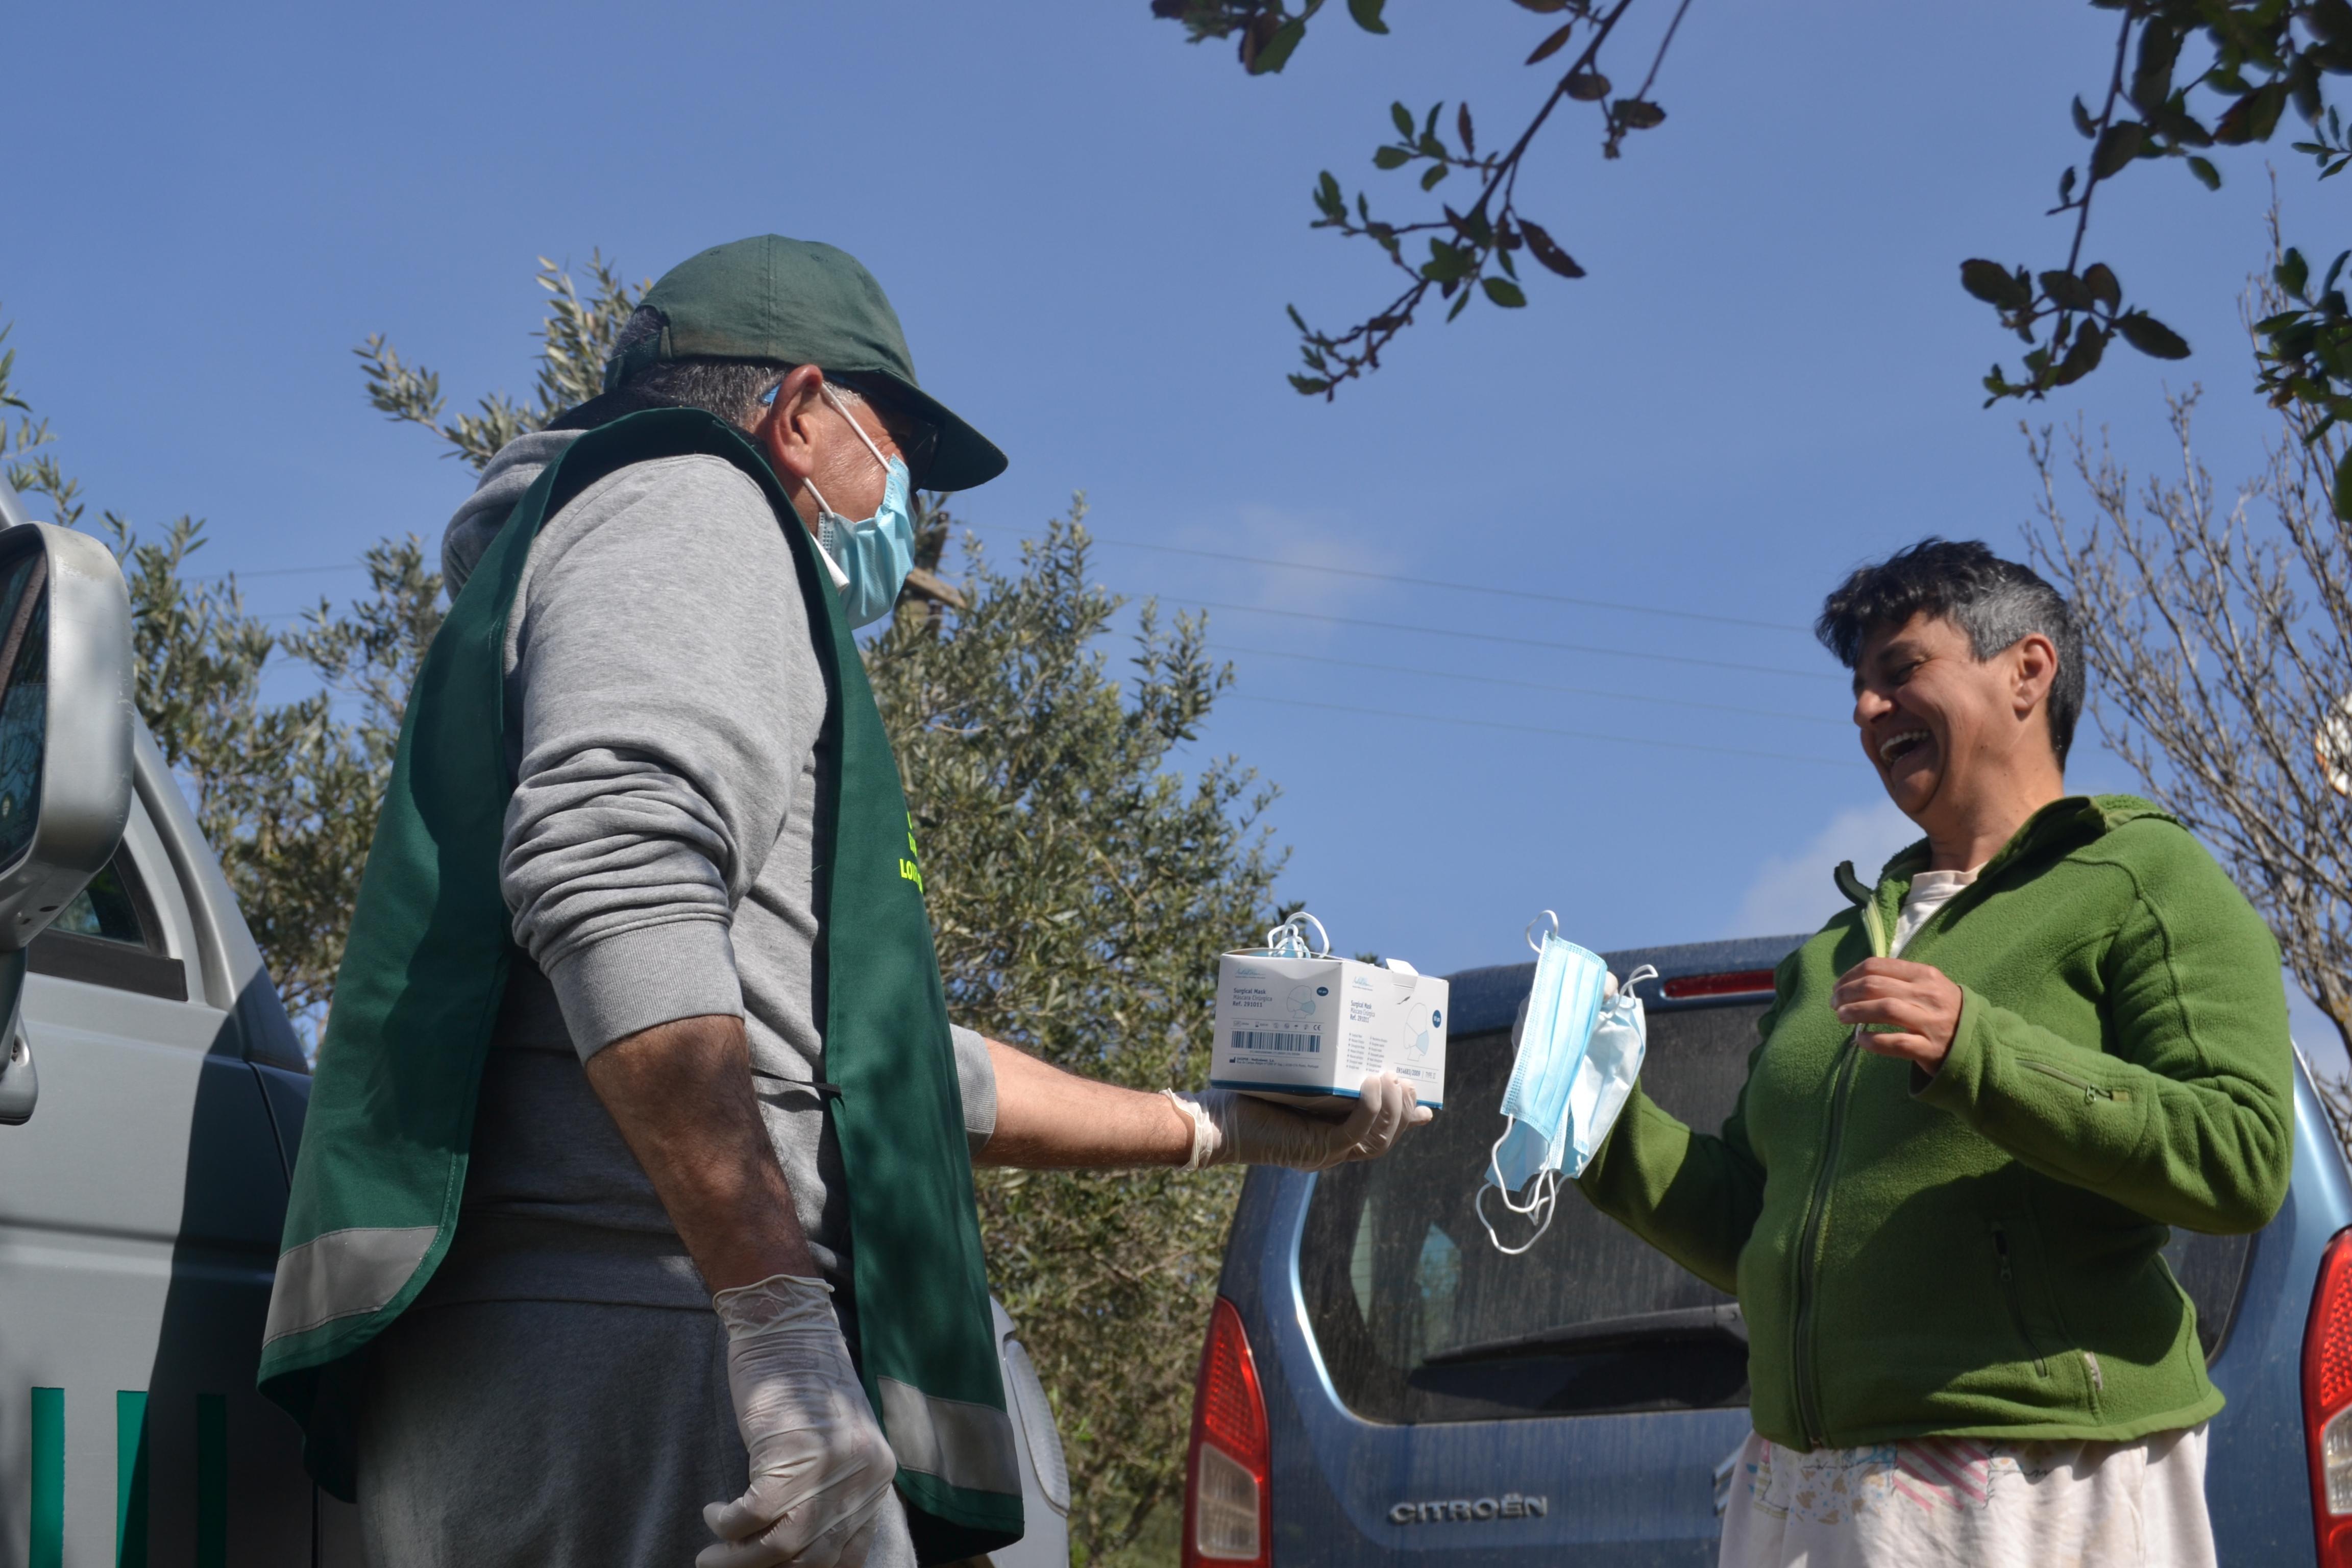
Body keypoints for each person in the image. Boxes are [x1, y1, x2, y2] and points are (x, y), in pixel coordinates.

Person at [256, 235, 1429, 1568]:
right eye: (901, 449)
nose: (912, 513)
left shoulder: (589, 553)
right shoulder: (699, 504)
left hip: (590, 1366)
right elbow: (616, 877)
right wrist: (782, 1332)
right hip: (655, 1360)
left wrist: (1214, 1132)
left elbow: (872, 1074)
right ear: (802, 415)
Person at [1573, 538, 2293, 1566]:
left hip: (2037, 1480)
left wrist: (1982, 1053)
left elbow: (2243, 1154)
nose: (1867, 712)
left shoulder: (2144, 879)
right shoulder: (1830, 954)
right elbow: (1757, 1224)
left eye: (1901, 671)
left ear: (2027, 672)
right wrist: (1592, 1123)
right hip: (1802, 1487)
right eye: (1860, 690)